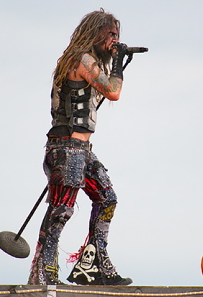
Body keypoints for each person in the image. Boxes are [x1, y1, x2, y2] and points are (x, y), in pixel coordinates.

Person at [27, 8, 132, 286]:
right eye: (110, 34)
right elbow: (113, 91)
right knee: (61, 210)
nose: (113, 40)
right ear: (95, 32)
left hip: (81, 151)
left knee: (107, 198)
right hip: (66, 148)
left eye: (116, 36)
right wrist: (119, 62)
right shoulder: (80, 59)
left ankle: (92, 265)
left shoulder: (85, 60)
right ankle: (43, 273)